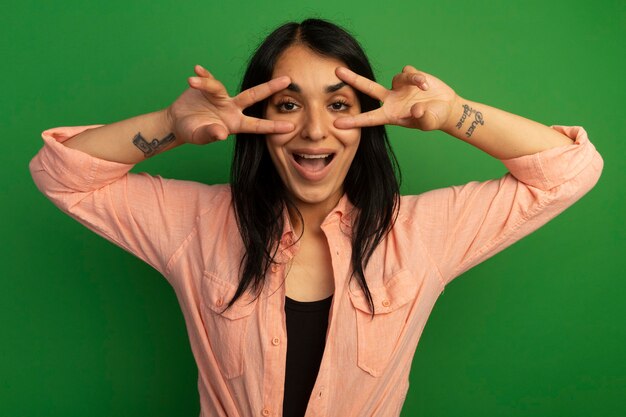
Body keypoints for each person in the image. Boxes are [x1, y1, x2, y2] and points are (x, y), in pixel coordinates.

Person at [29, 18, 603, 417]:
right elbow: (60, 172)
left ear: (368, 120)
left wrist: (454, 114)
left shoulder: (419, 234)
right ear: (256, 118)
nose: (313, 130)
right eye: (287, 105)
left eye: (337, 104)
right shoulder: (195, 223)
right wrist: (168, 126)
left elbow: (571, 169)